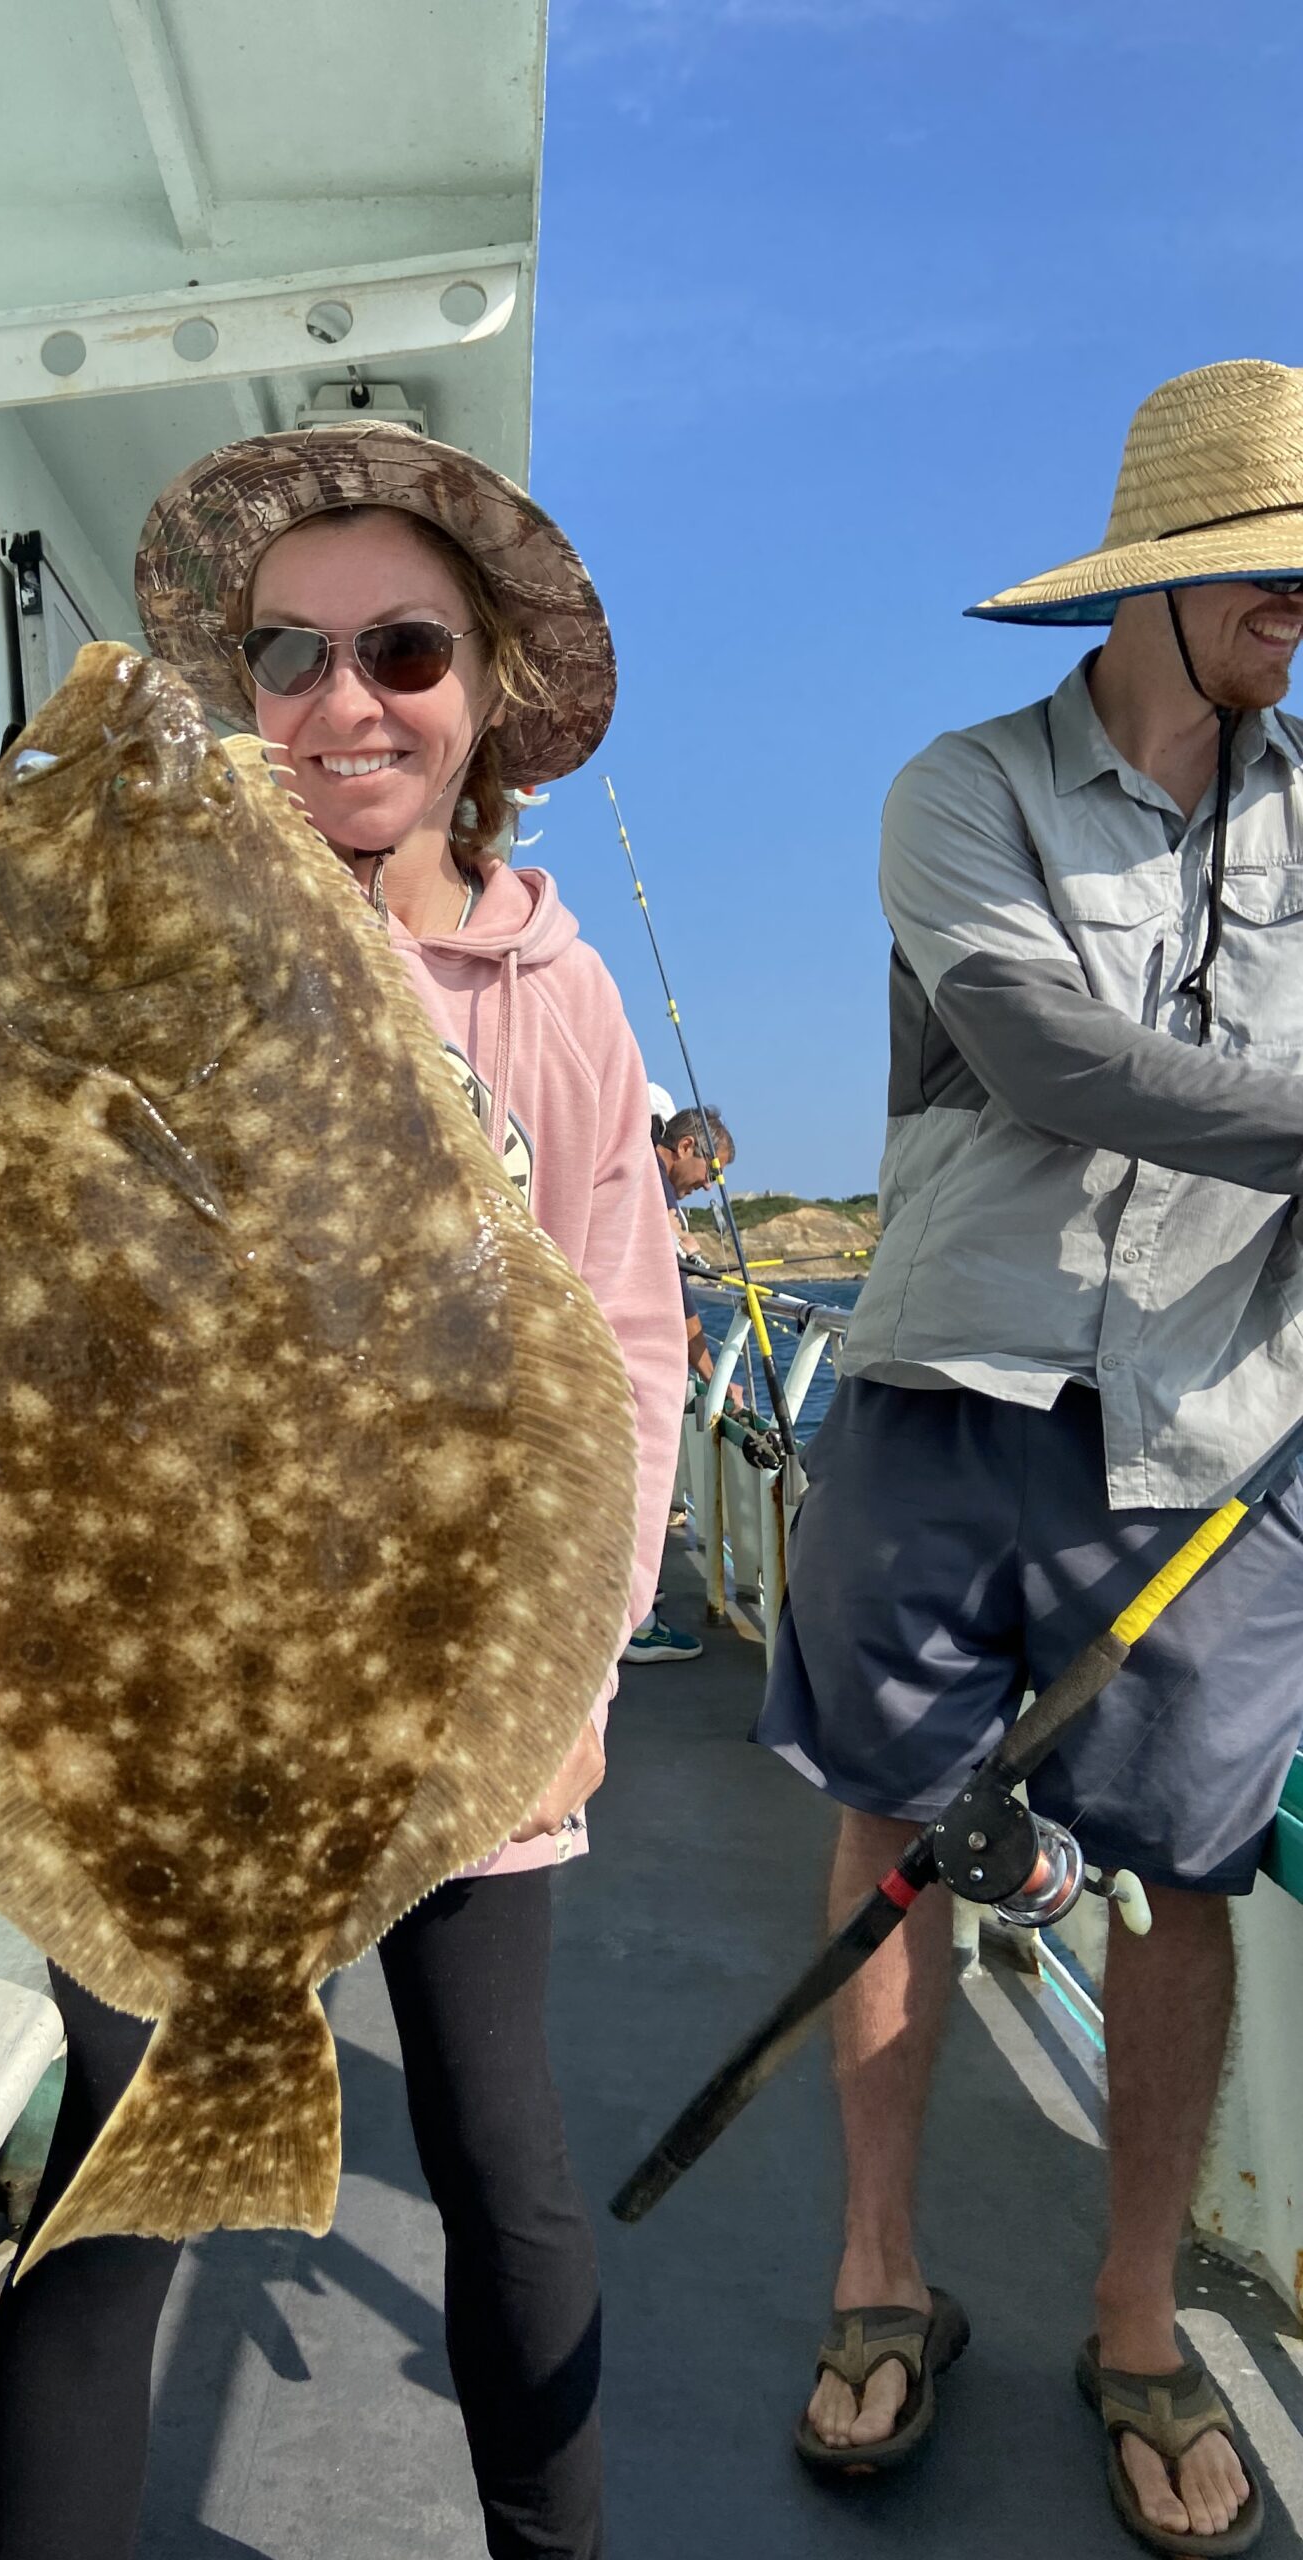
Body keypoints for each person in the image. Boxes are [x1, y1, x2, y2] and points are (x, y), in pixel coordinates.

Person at [0, 420, 685, 2560]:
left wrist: (577, 1664)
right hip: (176, 1684)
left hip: (464, 1680)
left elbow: (629, 1349)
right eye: (288, 653)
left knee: (501, 2160)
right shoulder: (146, 934)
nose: (343, 700)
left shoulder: (562, 1003)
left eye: (402, 650)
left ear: (485, 694)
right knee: (124, 2172)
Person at [756, 359, 1303, 2554]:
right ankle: (879, 2275)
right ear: (1156, 578)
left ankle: (1139, 2313)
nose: (1300, 608)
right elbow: (1043, 1054)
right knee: (888, 1818)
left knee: (1190, 1872)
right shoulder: (959, 789)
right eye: (1269, 570)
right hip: (946, 1393)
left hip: (1217, 1441)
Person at [624, 1102, 742, 1666]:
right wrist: (713, 1374)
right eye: (712, 1171)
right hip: (628, 1368)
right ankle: (635, 1625)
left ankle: (632, 1600)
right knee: (635, 1485)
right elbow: (677, 1293)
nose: (710, 1186)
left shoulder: (640, 1172)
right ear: (688, 1146)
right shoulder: (652, 1180)